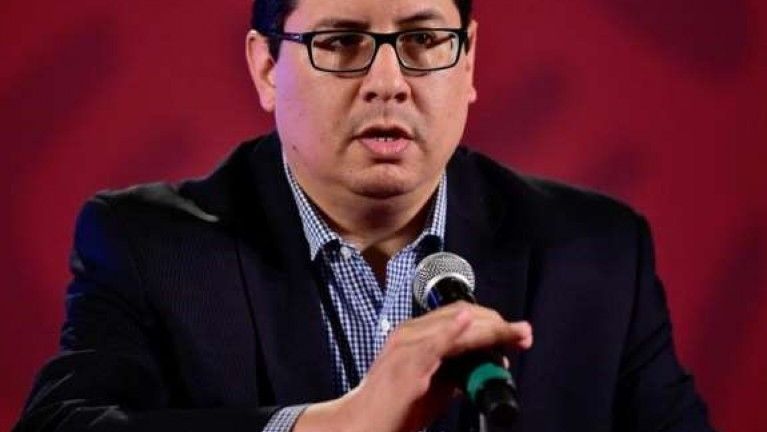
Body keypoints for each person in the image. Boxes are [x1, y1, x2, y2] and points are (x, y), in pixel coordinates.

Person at [14, 0, 714, 431]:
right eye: (341, 41)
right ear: (266, 67)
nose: (388, 83)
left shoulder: (596, 253)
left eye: (423, 41)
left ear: (469, 60)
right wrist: (340, 426)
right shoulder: (150, 246)